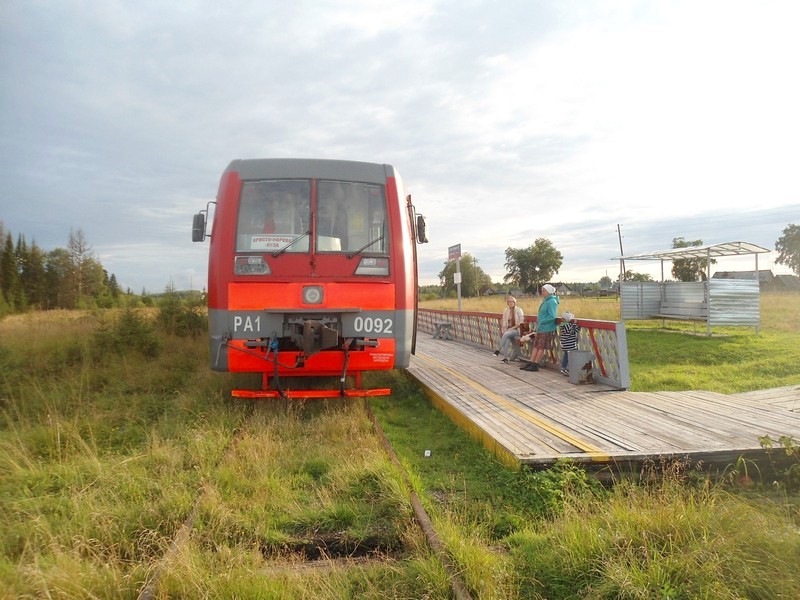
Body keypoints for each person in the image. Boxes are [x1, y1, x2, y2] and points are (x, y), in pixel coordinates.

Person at [520, 284, 559, 372]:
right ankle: (531, 362)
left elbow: (552, 316)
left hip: (546, 328)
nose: (542, 292)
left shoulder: (552, 301)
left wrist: (542, 321)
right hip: (541, 327)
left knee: (541, 347)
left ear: (549, 292)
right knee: (536, 345)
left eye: (543, 291)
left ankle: (536, 364)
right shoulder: (546, 300)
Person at [494, 295, 524, 363]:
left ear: (514, 302)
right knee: (506, 338)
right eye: (509, 302)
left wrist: (512, 328)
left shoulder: (519, 310)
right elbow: (504, 322)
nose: (510, 303)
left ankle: (498, 350)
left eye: (512, 301)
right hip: (508, 330)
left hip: (517, 330)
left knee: (506, 334)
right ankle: (505, 359)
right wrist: (504, 330)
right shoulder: (506, 311)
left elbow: (521, 322)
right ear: (507, 303)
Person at [558, 311, 580, 376]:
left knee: (566, 356)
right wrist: (575, 324)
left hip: (565, 344)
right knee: (569, 357)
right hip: (570, 344)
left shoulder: (562, 325)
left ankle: (564, 367)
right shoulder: (568, 325)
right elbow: (574, 331)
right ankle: (566, 368)